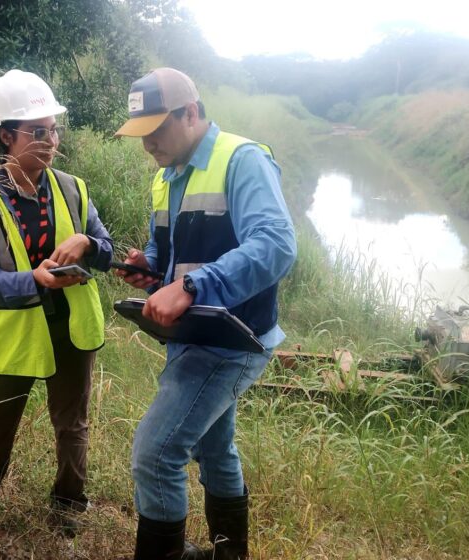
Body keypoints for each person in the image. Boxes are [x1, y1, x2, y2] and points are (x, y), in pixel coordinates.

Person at [114, 68, 297, 559]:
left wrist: (192, 286)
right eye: (140, 134)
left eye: (156, 130)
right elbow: (168, 251)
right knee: (214, 449)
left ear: (190, 113)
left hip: (231, 338)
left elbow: (276, 245)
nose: (148, 144)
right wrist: (150, 267)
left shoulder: (243, 160)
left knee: (156, 454)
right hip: (192, 334)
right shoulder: (166, 176)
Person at [0, 69, 114, 545]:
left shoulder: (74, 190)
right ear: (6, 135)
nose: (50, 142)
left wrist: (87, 244)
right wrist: (33, 280)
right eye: (38, 132)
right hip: (15, 335)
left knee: (72, 425)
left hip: (71, 328)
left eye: (53, 130)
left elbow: (108, 250)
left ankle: (69, 504)